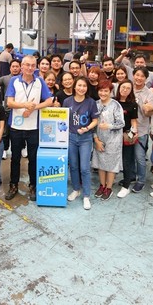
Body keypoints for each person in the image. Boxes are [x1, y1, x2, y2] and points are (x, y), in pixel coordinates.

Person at [4, 56, 53, 201]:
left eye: (33, 65)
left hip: (33, 127)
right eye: (27, 65)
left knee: (33, 158)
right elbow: (9, 103)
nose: (30, 68)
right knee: (15, 158)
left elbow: (49, 100)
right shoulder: (14, 81)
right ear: (22, 66)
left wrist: (33, 108)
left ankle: (33, 186)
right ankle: (13, 185)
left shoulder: (40, 81)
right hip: (16, 126)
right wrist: (25, 105)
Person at [64, 77, 100, 210]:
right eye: (79, 85)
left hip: (85, 138)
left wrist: (87, 128)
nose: (81, 88)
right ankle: (76, 189)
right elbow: (62, 119)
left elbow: (95, 120)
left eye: (84, 86)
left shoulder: (91, 102)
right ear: (74, 86)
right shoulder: (67, 101)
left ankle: (86, 195)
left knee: (84, 168)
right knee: (73, 166)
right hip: (71, 138)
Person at [91, 80, 125, 200]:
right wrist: (96, 139)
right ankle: (102, 185)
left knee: (111, 165)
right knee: (100, 163)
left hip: (113, 141)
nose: (103, 93)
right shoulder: (95, 104)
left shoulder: (116, 105)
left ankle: (109, 188)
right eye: (101, 90)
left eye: (106, 91)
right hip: (99, 139)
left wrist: (108, 126)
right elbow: (93, 124)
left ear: (110, 91)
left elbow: (121, 123)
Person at [130, 67, 153, 193]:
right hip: (128, 129)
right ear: (133, 75)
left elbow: (149, 113)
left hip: (141, 129)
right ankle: (131, 176)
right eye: (137, 75)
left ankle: (141, 180)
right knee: (129, 155)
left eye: (142, 76)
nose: (139, 78)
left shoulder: (149, 93)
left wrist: (146, 107)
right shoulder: (128, 88)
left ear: (146, 78)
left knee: (140, 157)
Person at [115, 80, 139, 198]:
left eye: (128, 88)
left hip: (126, 135)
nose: (125, 90)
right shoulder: (113, 102)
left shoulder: (133, 104)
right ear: (119, 87)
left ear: (131, 91)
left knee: (127, 160)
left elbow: (134, 121)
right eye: (123, 87)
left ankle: (126, 186)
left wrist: (133, 133)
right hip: (113, 135)